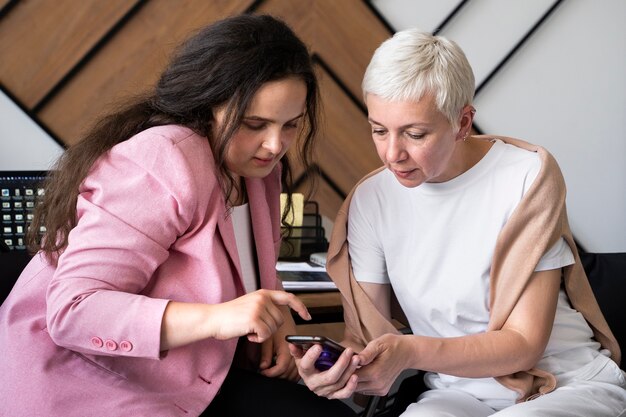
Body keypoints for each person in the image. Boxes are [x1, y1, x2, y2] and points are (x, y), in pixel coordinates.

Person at [0, 14, 356, 417]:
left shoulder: (259, 172)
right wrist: (220, 319)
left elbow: (239, 284)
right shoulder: (163, 160)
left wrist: (275, 330)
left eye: (290, 125)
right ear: (205, 107)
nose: (275, 145)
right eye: (254, 124)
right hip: (90, 383)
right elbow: (73, 310)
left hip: (188, 378)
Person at [290, 28, 626, 416]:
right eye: (379, 130)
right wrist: (339, 372)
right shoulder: (371, 202)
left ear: (463, 122)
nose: (392, 154)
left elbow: (524, 343)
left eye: (415, 134)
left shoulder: (525, 176)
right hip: (457, 395)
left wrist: (413, 350)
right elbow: (369, 339)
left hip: (565, 383)